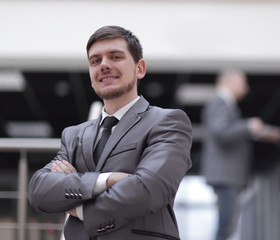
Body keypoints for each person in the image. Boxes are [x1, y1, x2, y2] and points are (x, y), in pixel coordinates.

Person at [27, 25, 192, 240]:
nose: (104, 65)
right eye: (95, 61)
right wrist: (107, 180)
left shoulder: (168, 122)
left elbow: (148, 190)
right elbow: (39, 190)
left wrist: (79, 209)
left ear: (139, 69)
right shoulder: (74, 135)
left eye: (115, 57)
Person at [200, 69, 265, 240]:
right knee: (225, 227)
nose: (246, 87)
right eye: (243, 82)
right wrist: (248, 126)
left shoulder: (226, 104)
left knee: (227, 225)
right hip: (225, 175)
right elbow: (222, 132)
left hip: (226, 174)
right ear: (230, 81)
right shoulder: (220, 103)